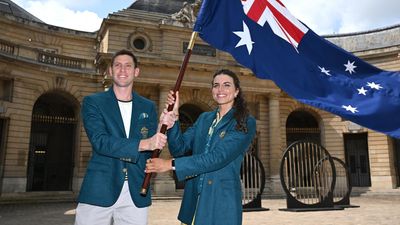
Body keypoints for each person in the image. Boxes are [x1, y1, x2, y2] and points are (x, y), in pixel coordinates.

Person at [146, 69, 256, 225]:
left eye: (226, 85)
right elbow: (180, 148)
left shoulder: (244, 122)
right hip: (194, 199)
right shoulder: (204, 118)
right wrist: (175, 117)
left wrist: (169, 164)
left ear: (236, 91)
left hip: (221, 201)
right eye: (216, 85)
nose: (220, 90)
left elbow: (217, 158)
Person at [75, 49, 167, 225]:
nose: (122, 70)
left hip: (136, 190)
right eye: (117, 65)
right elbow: (100, 141)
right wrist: (144, 143)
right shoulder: (93, 102)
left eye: (128, 66)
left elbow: (152, 149)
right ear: (110, 70)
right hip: (100, 188)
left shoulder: (147, 106)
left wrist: (162, 128)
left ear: (136, 72)